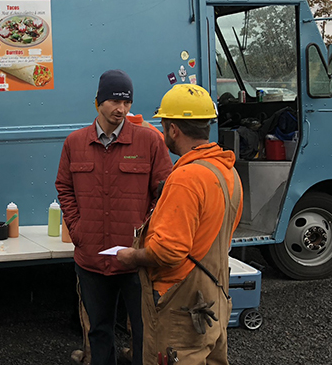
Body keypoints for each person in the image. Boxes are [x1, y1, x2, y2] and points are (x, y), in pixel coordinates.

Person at [117, 84, 243, 365]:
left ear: (173, 129)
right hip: (215, 293)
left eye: (163, 125)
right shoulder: (227, 170)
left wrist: (132, 256)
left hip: (180, 302)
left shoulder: (186, 178)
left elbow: (168, 252)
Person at [55, 69, 172, 365]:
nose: (121, 109)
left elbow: (165, 193)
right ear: (98, 102)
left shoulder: (149, 141)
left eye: (127, 103)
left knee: (144, 333)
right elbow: (64, 187)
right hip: (91, 258)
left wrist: (147, 237)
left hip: (135, 260)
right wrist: (77, 229)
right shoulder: (75, 143)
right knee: (98, 331)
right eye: (114, 102)